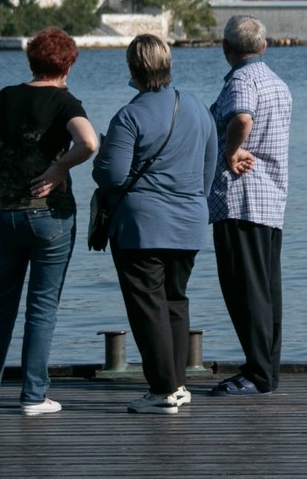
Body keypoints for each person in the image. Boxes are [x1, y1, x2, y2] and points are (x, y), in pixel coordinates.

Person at [0, 28, 98, 415]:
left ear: (31, 60)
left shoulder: (6, 96)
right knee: (41, 307)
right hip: (49, 217)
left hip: (2, 211)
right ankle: (32, 395)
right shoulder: (66, 102)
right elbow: (90, 143)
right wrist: (60, 167)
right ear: (69, 63)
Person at [93, 34, 217, 414]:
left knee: (147, 306)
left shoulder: (130, 115)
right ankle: (176, 384)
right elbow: (209, 168)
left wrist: (99, 156)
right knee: (175, 301)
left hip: (142, 227)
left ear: (132, 69)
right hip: (189, 222)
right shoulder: (196, 107)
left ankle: (163, 391)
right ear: (168, 64)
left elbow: (112, 176)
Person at [207, 14, 293, 397]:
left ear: (226, 49)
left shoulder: (242, 80)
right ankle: (266, 369)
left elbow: (242, 116)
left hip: (241, 198)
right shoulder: (277, 82)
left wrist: (229, 152)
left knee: (245, 288)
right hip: (271, 199)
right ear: (263, 46)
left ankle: (257, 374)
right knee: (266, 288)